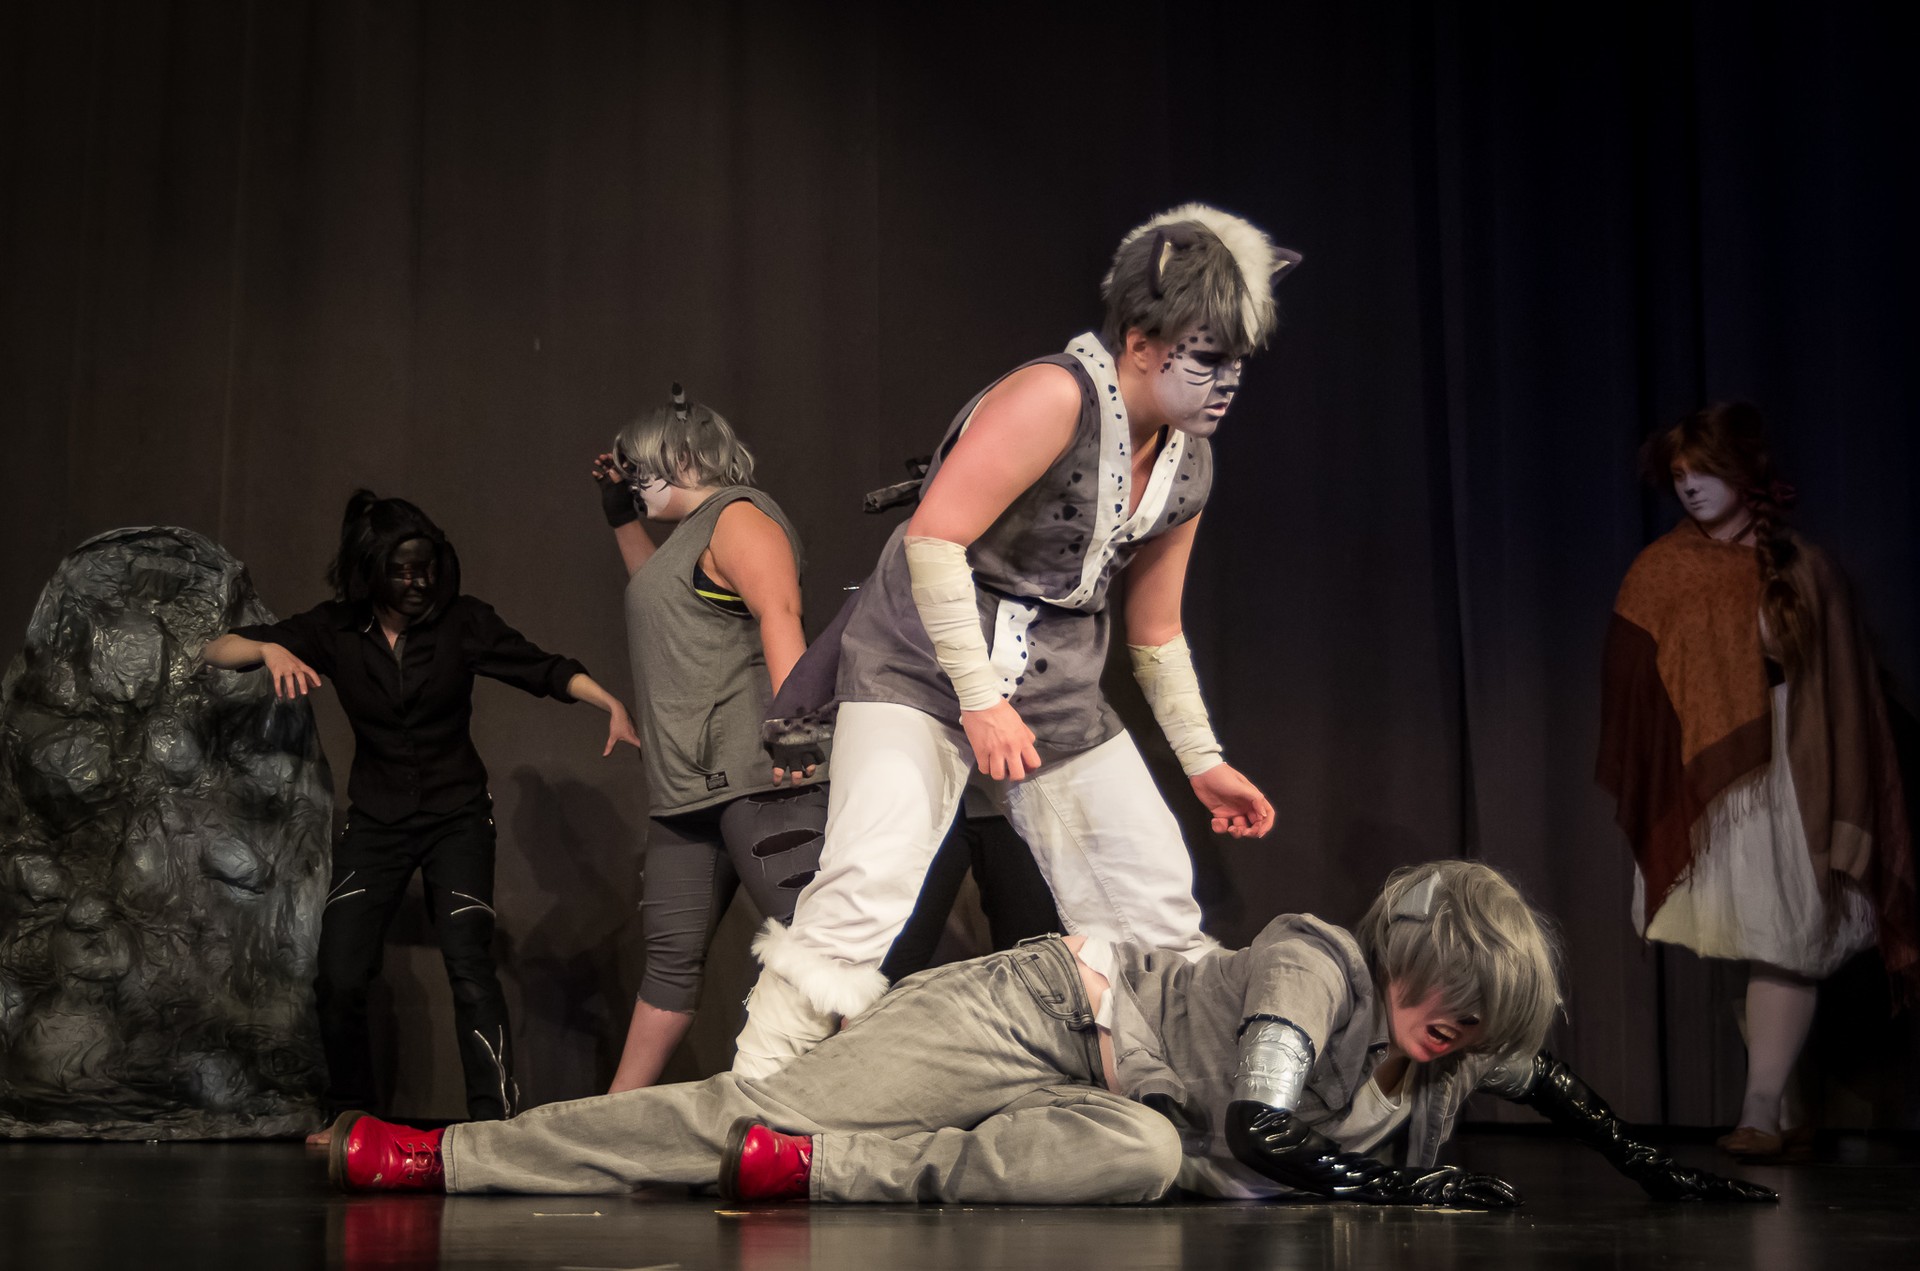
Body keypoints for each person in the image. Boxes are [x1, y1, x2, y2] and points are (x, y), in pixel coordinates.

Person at [324, 859, 1773, 1212]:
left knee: (1140, 1156)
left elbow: (1557, 1082)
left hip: (1112, 1104)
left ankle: (822, 1173)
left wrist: (1659, 1167)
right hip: (1037, 1013)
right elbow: (1264, 1127)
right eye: (1454, 1002)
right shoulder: (1321, 967)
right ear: (1413, 954)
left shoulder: (1444, 1045)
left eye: (1477, 1026)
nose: (1461, 1038)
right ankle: (441, 1155)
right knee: (736, 1111)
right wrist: (1408, 1187)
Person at [729, 204, 1301, 1078]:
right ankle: (752, 1096)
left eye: (1237, 363)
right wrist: (980, 697)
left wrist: (1202, 758)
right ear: (1141, 342)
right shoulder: (1055, 397)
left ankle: (1177, 1104)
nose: (1226, 384)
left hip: (1055, 692)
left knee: (1152, 901)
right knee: (864, 887)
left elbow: (1155, 628)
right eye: (1207, 358)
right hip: (918, 667)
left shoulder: (1190, 460)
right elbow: (932, 539)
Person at [202, 490, 641, 1135]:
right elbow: (216, 649)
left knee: (470, 966)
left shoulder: (462, 623)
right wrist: (268, 650)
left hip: (456, 820)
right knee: (340, 975)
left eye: (426, 569)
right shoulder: (335, 629)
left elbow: (540, 667)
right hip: (376, 824)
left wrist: (608, 702)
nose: (417, 583)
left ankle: (495, 1125)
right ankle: (351, 1117)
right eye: (402, 571)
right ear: (370, 572)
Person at [1598, 402, 1918, 1159]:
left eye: (1704, 471)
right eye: (1679, 474)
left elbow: (1844, 692)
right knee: (1757, 938)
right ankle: (1787, 1105)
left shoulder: (1803, 564)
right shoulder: (1664, 567)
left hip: (1793, 766)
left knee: (1786, 936)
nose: (1690, 487)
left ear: (1744, 473)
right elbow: (1638, 680)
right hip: (1716, 781)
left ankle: (1762, 1111)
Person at [589, 385, 831, 1092]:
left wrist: (796, 726)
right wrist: (618, 514)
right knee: (668, 967)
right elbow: (658, 595)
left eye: (643, 470)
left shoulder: (740, 515)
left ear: (686, 457)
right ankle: (613, 1121)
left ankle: (885, 1104)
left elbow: (780, 612)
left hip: (757, 777)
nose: (637, 484)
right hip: (684, 794)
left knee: (824, 950)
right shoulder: (685, 541)